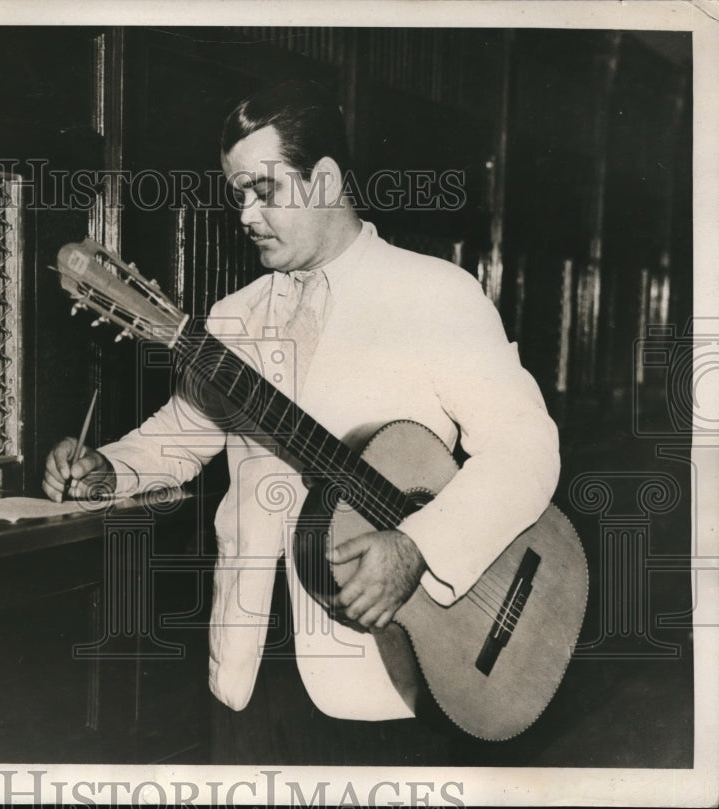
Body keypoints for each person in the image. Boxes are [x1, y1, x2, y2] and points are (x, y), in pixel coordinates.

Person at [44, 80, 560, 765]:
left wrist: (416, 548)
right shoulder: (230, 319)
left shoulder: (437, 295)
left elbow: (527, 451)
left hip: (390, 669)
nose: (247, 215)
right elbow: (181, 433)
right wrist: (110, 466)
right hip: (250, 664)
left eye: (265, 189)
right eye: (237, 195)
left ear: (324, 181)